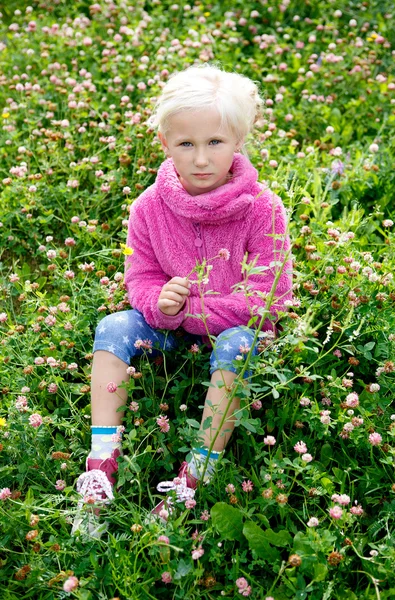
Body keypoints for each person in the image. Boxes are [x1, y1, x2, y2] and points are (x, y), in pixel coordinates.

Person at [73, 64, 292, 535]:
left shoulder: (263, 207)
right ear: (165, 143)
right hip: (169, 333)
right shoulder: (148, 206)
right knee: (113, 326)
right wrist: (159, 301)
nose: (200, 159)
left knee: (237, 345)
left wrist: (193, 309)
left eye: (214, 142)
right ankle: (101, 464)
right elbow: (141, 277)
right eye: (185, 144)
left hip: (234, 333)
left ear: (238, 140)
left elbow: (269, 298)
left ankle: (197, 471)